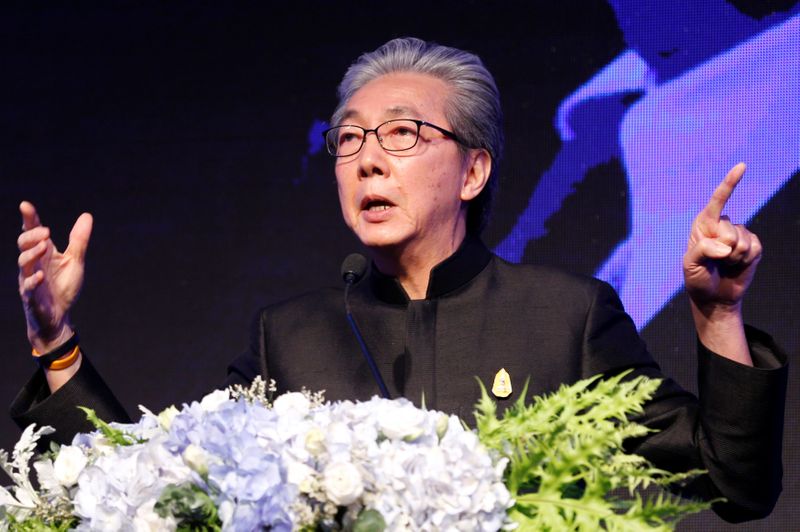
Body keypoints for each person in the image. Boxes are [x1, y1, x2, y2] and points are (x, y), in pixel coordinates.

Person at [11, 38, 787, 523]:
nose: (369, 157)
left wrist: (718, 317)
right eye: (350, 139)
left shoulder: (567, 316)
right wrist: (56, 342)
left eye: (403, 134)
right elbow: (156, 486)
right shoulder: (290, 335)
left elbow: (732, 482)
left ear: (474, 169)